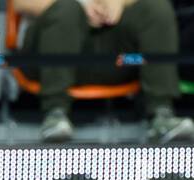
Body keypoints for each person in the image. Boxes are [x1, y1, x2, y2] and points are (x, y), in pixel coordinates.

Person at [14, 0, 194, 142]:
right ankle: (55, 114)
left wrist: (118, 2)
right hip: (48, 53)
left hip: (110, 53)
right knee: (67, 8)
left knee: (156, 7)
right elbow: (20, 3)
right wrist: (82, 6)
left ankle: (161, 114)